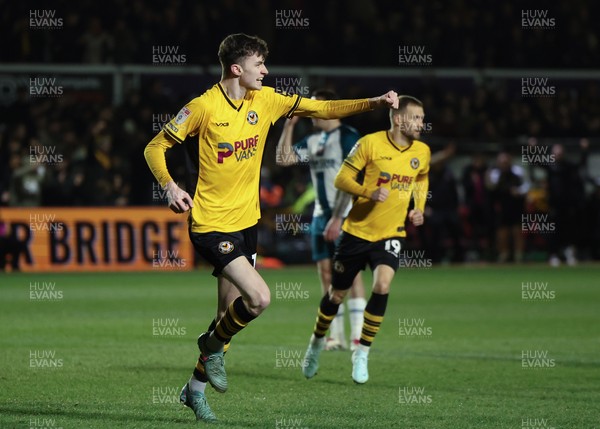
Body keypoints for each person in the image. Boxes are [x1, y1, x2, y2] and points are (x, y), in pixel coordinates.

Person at [143, 33, 399, 422]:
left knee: (225, 316)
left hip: (247, 224)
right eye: (259, 63)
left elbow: (322, 106)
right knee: (259, 299)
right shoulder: (202, 107)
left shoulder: (267, 100)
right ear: (236, 68)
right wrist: (170, 186)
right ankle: (208, 346)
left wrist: (375, 103)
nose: (265, 70)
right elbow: (154, 147)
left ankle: (193, 390)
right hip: (211, 224)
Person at [301, 95, 430, 384]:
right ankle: (316, 343)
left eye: (422, 118)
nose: (422, 124)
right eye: (417, 118)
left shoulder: (421, 151)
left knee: (382, 285)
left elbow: (421, 177)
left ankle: (361, 353)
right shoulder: (370, 144)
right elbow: (342, 179)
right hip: (356, 233)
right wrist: (369, 192)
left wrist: (418, 208)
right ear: (399, 119)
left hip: (391, 233)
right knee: (336, 294)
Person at [276, 89, 366, 352]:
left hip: (347, 215)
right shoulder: (313, 140)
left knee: (352, 274)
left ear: (329, 108)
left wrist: (339, 217)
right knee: (327, 275)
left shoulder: (349, 136)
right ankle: (335, 336)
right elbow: (283, 158)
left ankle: (358, 338)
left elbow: (358, 178)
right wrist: (289, 126)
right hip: (319, 216)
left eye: (314, 107)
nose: (310, 113)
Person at [486, 150, 530, 263]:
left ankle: (519, 254)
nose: (504, 163)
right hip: (501, 204)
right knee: (502, 230)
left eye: (506, 161)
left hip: (516, 204)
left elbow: (527, 185)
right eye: (502, 161)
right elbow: (490, 187)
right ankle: (504, 253)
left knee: (517, 230)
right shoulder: (494, 173)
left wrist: (519, 191)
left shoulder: (518, 171)